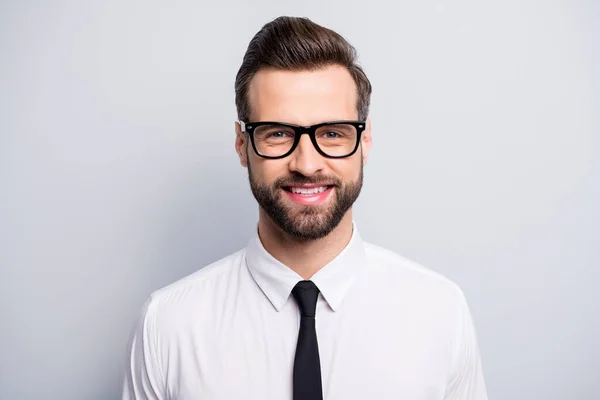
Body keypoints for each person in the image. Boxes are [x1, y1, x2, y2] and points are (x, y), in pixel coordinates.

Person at [122, 16, 488, 400]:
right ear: (241, 145)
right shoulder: (167, 326)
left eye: (332, 133)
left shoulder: (439, 313)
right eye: (278, 133)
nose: (307, 164)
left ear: (365, 142)